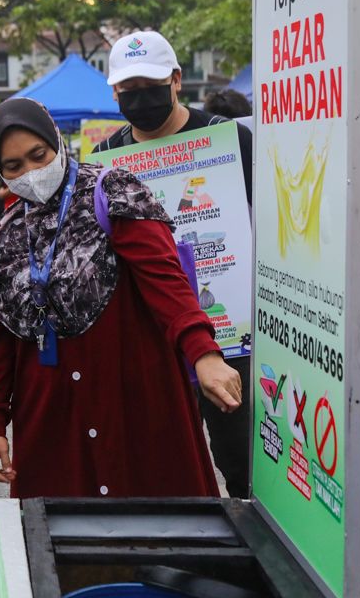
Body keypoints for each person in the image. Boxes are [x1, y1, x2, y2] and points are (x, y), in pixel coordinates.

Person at [0, 99, 241, 500]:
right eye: (13, 167)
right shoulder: (5, 237)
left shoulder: (114, 192)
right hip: (53, 416)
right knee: (70, 545)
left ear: (58, 143)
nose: (30, 173)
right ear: (0, 171)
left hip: (133, 396)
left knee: (164, 531)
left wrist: (204, 354)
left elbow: (166, 281)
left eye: (38, 155)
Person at [94, 30, 253, 499]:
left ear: (176, 79)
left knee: (240, 460)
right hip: (153, 338)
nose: (140, 98)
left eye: (150, 85)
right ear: (115, 92)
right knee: (163, 463)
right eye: (128, 90)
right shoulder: (105, 158)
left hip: (227, 335)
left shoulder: (226, 139)